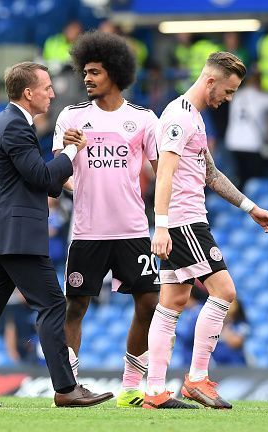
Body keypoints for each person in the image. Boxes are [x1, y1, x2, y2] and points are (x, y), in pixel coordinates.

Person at [0, 61, 112, 408]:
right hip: (16, 234)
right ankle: (66, 388)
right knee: (51, 306)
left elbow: (32, 178)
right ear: (28, 93)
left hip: (4, 232)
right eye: (47, 87)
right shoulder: (15, 127)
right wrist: (71, 150)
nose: (53, 93)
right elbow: (43, 178)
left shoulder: (8, 123)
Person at [146, 52, 268, 410]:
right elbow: (165, 174)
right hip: (184, 221)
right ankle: (196, 378)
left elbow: (211, 175)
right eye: (229, 91)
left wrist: (251, 208)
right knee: (224, 290)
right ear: (210, 82)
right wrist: (162, 227)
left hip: (182, 220)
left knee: (172, 302)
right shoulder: (178, 118)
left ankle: (155, 390)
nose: (228, 99)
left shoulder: (195, 119)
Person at [52, 30, 160, 408]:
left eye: (94, 72)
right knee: (75, 307)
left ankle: (131, 386)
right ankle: (69, 387)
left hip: (132, 229)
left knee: (148, 303)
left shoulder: (144, 119)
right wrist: (74, 168)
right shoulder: (71, 117)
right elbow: (57, 174)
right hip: (87, 230)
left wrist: (164, 219)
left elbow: (162, 173)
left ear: (114, 72)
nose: (86, 78)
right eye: (84, 72)